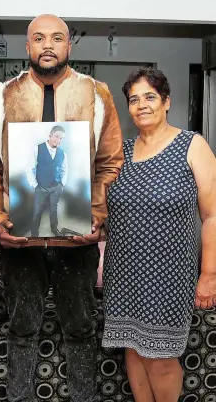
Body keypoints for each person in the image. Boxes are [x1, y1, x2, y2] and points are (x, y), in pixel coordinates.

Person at [0, 14, 123, 402]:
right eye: (38, 38)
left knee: (80, 328)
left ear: (68, 46)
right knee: (22, 328)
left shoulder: (96, 93)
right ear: (27, 47)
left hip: (77, 238)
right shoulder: (0, 96)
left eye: (56, 38)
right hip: (18, 238)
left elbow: (111, 164)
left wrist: (98, 216)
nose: (47, 45)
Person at [102, 66, 216, 402]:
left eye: (149, 96)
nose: (141, 105)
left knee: (161, 357)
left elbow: (212, 215)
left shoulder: (191, 145)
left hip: (168, 278)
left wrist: (209, 274)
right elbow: (99, 209)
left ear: (166, 101)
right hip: (122, 274)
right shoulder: (118, 153)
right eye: (134, 99)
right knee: (133, 353)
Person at [26, 125, 68, 236]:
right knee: (37, 212)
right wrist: (35, 185)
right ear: (50, 135)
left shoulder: (62, 153)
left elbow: (65, 170)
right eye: (56, 136)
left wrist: (61, 184)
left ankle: (54, 229)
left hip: (56, 187)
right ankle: (34, 233)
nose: (58, 140)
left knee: (54, 210)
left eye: (61, 138)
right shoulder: (37, 149)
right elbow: (30, 168)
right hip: (41, 187)